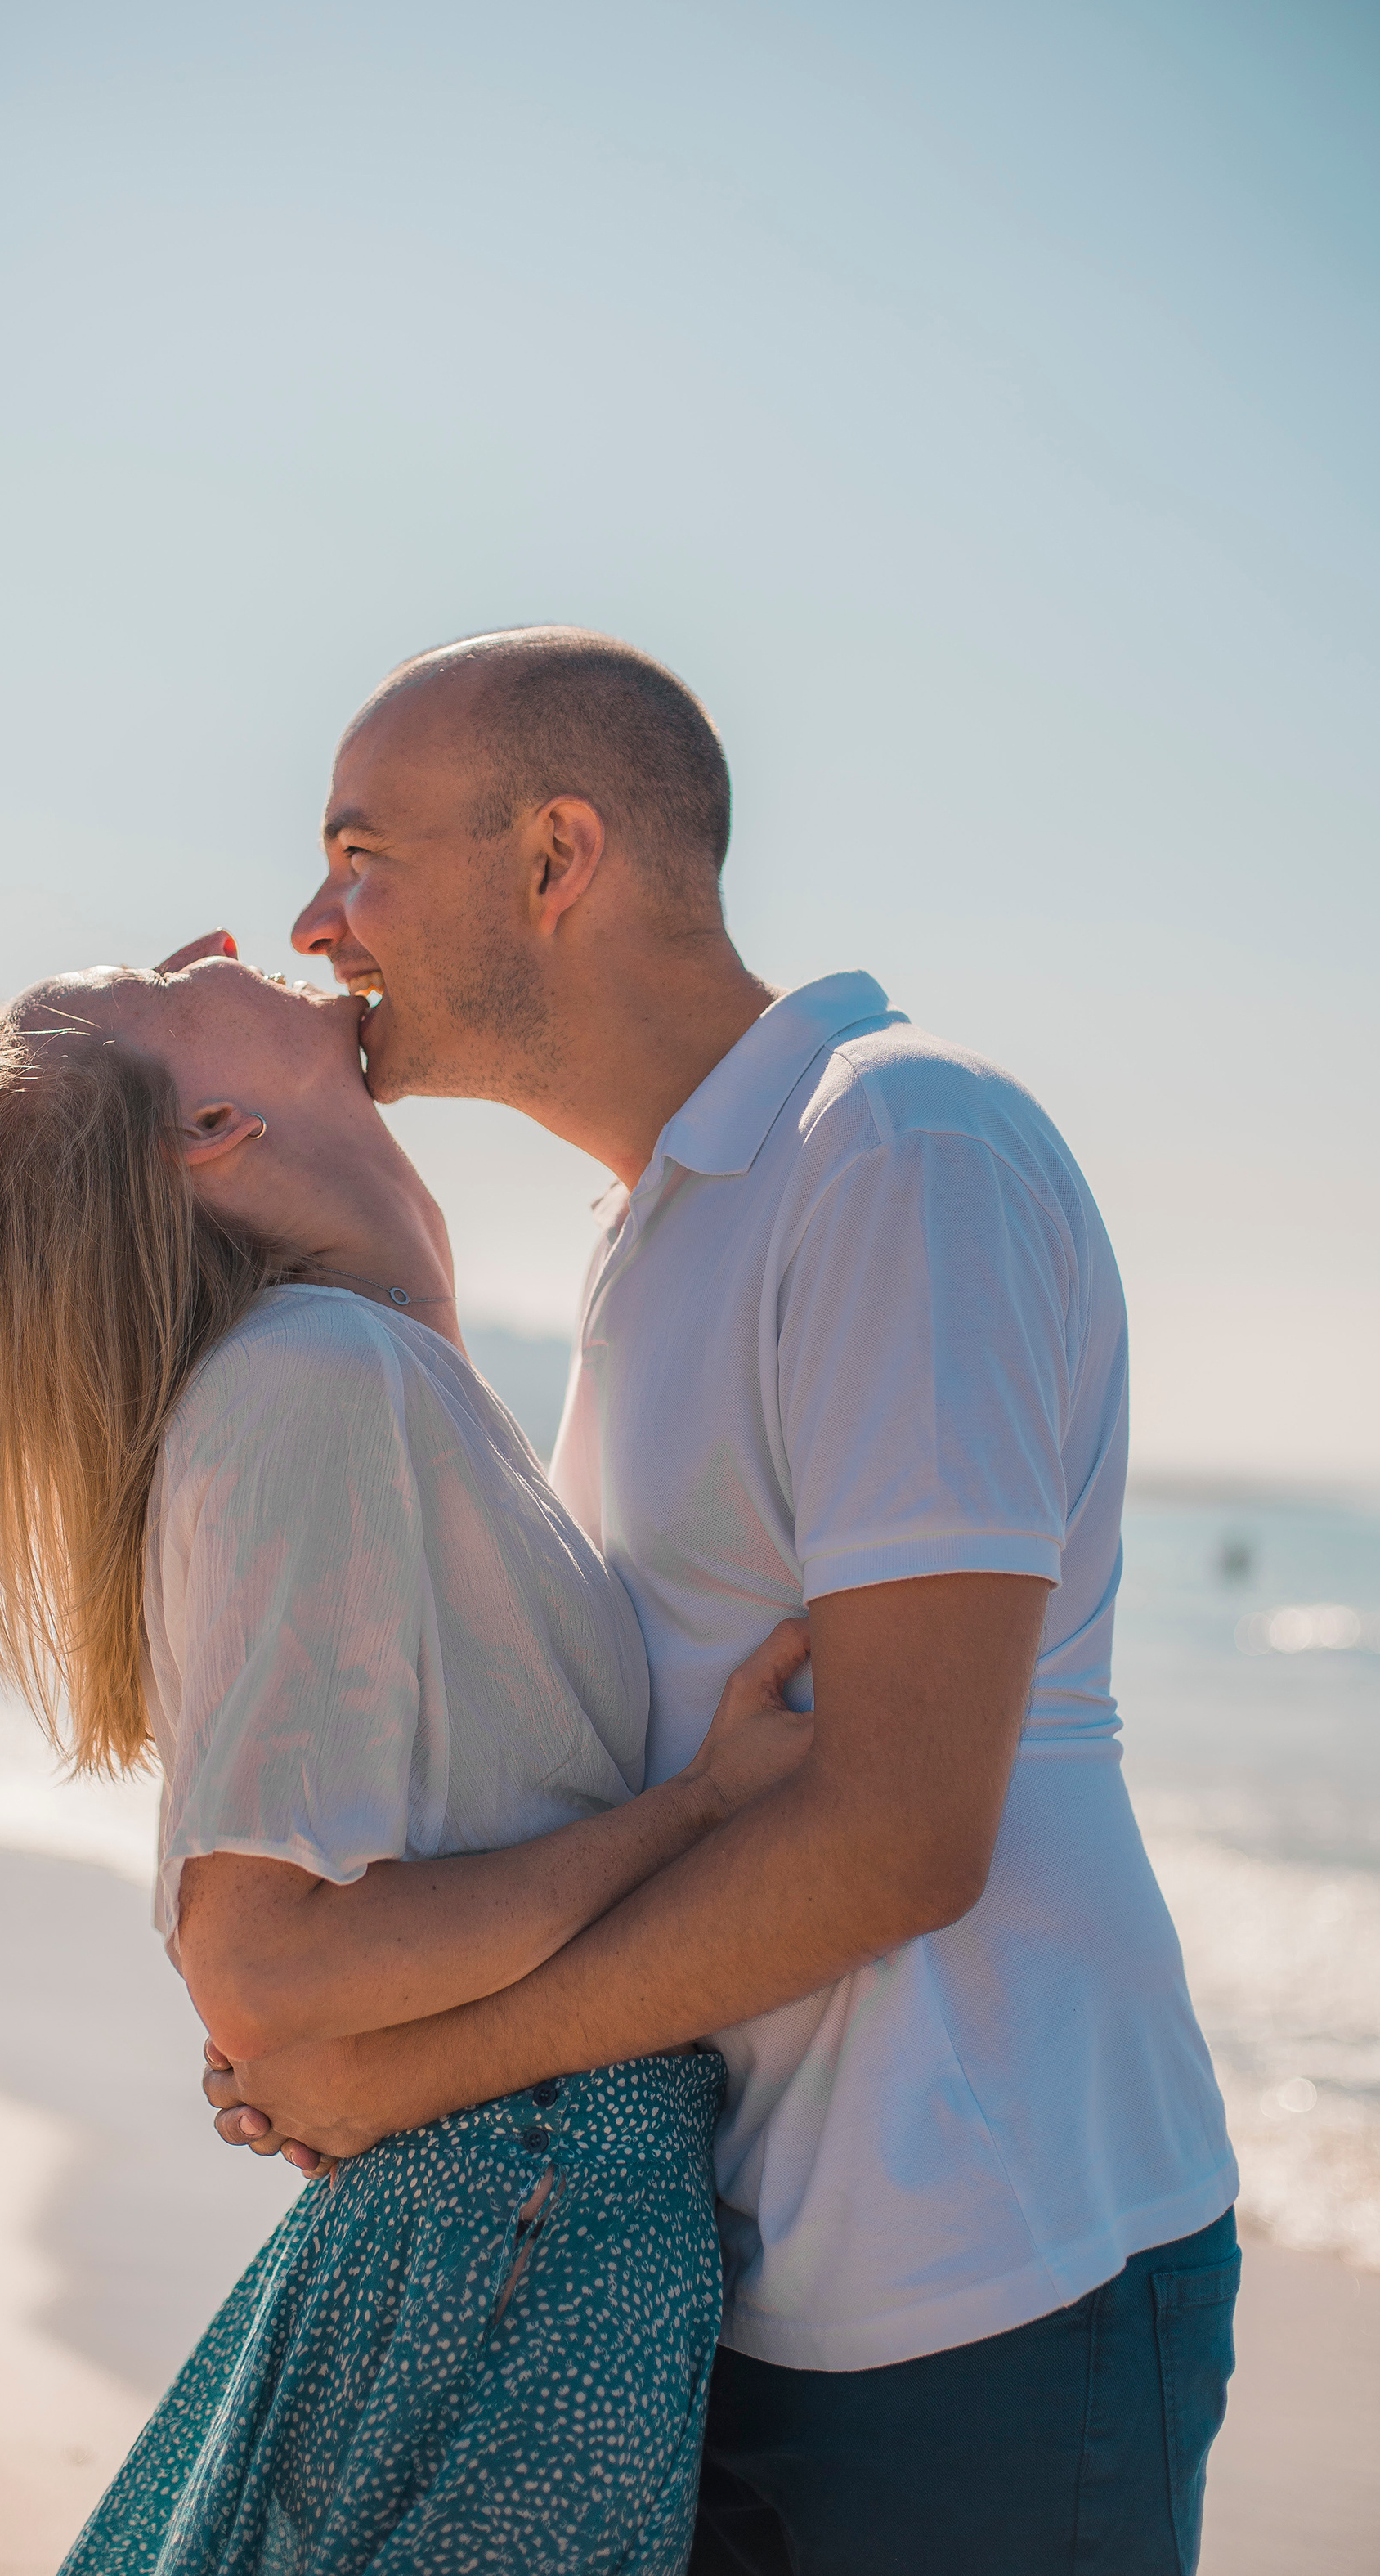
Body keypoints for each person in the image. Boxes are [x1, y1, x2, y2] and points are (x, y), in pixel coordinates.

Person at [198, 626, 1243, 2575]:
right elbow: (646, 1747)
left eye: (362, 852)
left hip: (989, 2276)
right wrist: (326, 2009)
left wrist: (404, 2069)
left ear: (557, 855)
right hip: (727, 2266)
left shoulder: (896, 1151)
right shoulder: (656, 1229)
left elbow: (904, 1831)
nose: (315, 921)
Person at [0, 948, 818, 2576]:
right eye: (159, 984)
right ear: (218, 1127)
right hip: (519, 2214)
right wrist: (700, 1812)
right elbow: (258, 1960)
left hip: (506, 2204)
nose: (221, 949)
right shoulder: (314, 1382)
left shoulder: (357, 1373)